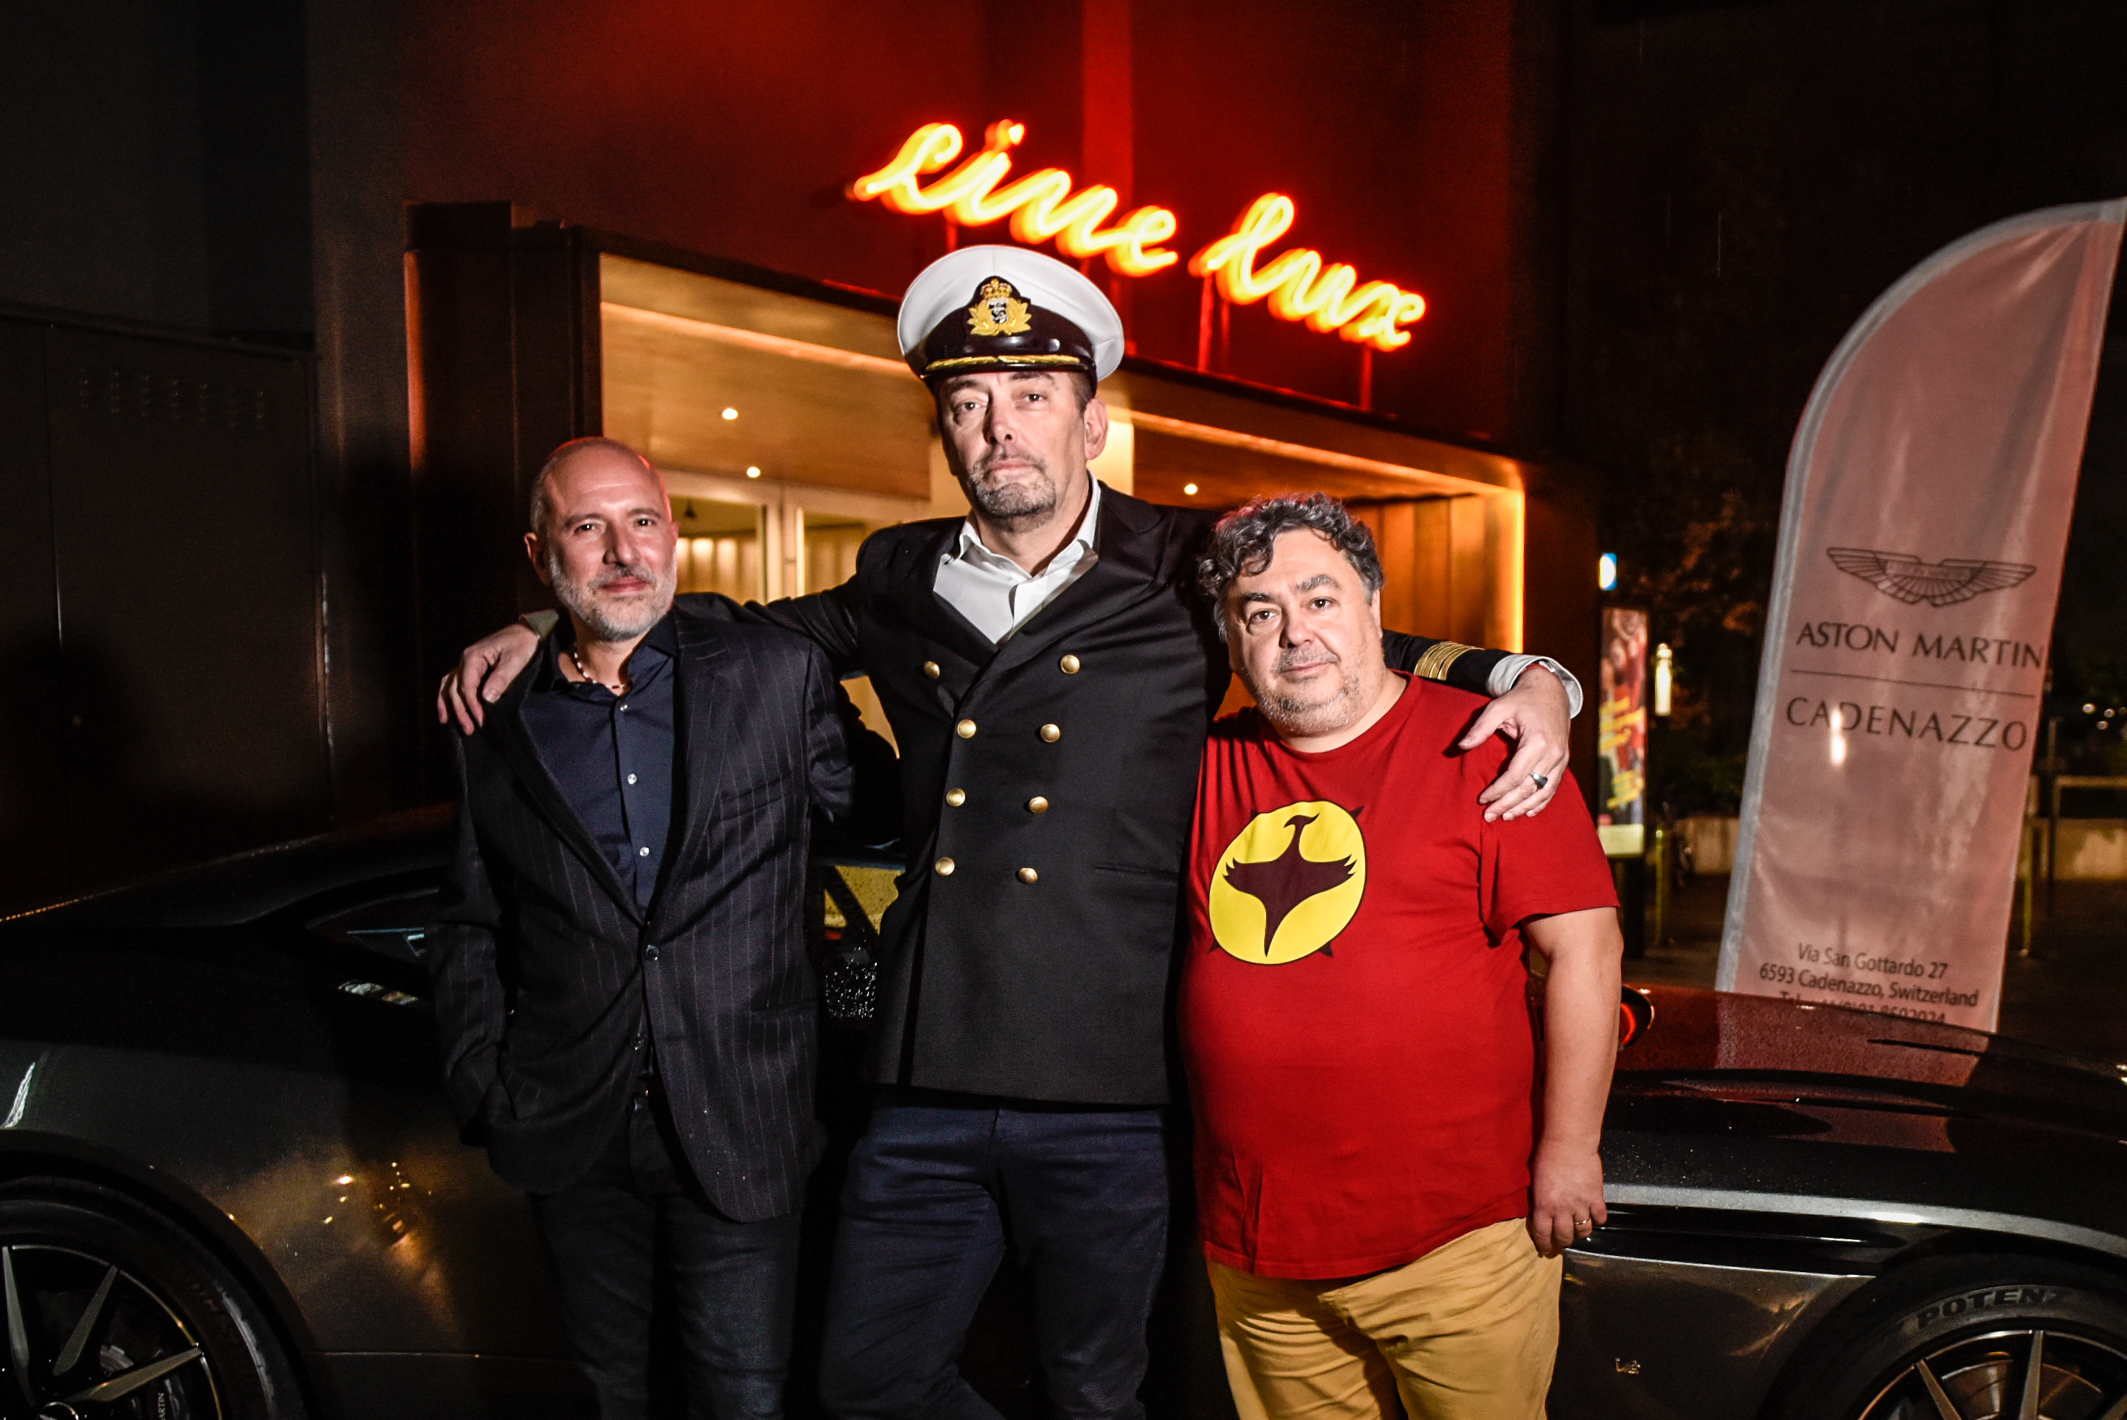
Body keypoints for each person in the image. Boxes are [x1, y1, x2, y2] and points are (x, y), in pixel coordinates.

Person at [436, 246, 1582, 1420]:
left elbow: (1338, 640)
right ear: (945, 432)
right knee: (866, 1383)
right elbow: (741, 631)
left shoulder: (1184, 562)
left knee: (1095, 1393)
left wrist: (1527, 675)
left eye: (1032, 396)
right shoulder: (898, 571)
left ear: (1092, 424)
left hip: (1111, 1078)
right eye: (970, 403)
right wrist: (547, 624)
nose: (1000, 427)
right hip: (929, 1064)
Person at [429, 436, 896, 1420]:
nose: (623, 551)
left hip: (744, 1118)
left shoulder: (775, 674)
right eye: (587, 528)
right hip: (569, 1125)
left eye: (642, 521)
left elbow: (884, 817)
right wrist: (484, 1085)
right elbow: (472, 917)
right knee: (605, 1397)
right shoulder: (495, 714)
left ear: (673, 531)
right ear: (540, 553)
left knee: (742, 1400)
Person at [1184, 493, 1622, 1420]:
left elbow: (1584, 952)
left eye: (1320, 599)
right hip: (1259, 1255)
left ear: (1374, 607)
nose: (1295, 633)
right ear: (1232, 640)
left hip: (1456, 1245)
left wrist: (1569, 1150)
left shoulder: (1488, 748)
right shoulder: (1199, 766)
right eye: (1259, 613)